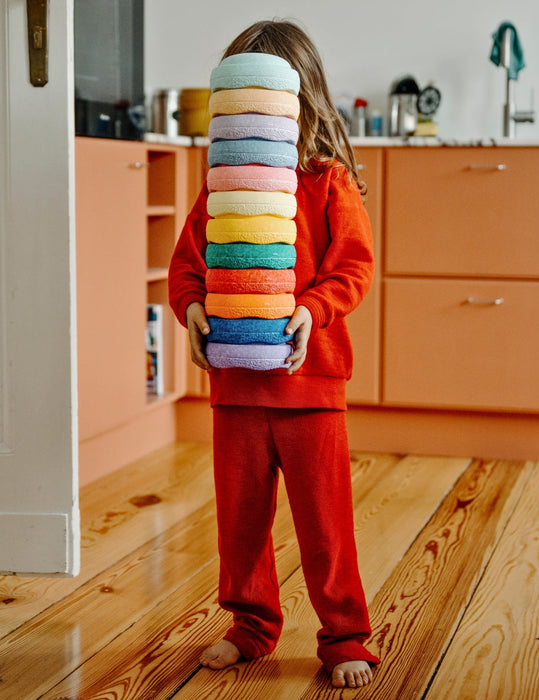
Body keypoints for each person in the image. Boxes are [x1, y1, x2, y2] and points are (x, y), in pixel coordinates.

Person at [168, 19, 379, 690]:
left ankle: (344, 635)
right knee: (239, 524)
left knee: (325, 526)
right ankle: (251, 625)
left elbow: (353, 270)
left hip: (310, 386)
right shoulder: (221, 193)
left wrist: (311, 312)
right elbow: (186, 270)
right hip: (234, 388)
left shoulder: (326, 183)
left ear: (299, 99)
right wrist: (193, 308)